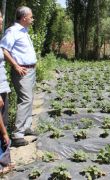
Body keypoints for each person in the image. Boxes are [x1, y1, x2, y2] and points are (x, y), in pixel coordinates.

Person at [0, 6, 37, 147]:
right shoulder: (13, 31)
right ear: (24, 18)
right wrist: (15, 66)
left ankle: (26, 127)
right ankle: (17, 134)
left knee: (29, 98)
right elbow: (4, 50)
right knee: (25, 99)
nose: (32, 19)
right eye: (31, 17)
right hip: (22, 72)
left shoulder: (24, 31)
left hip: (30, 71)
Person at [0, 11, 15, 175]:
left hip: (3, 88)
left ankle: (5, 161)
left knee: (2, 125)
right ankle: (2, 164)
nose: (1, 19)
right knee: (2, 129)